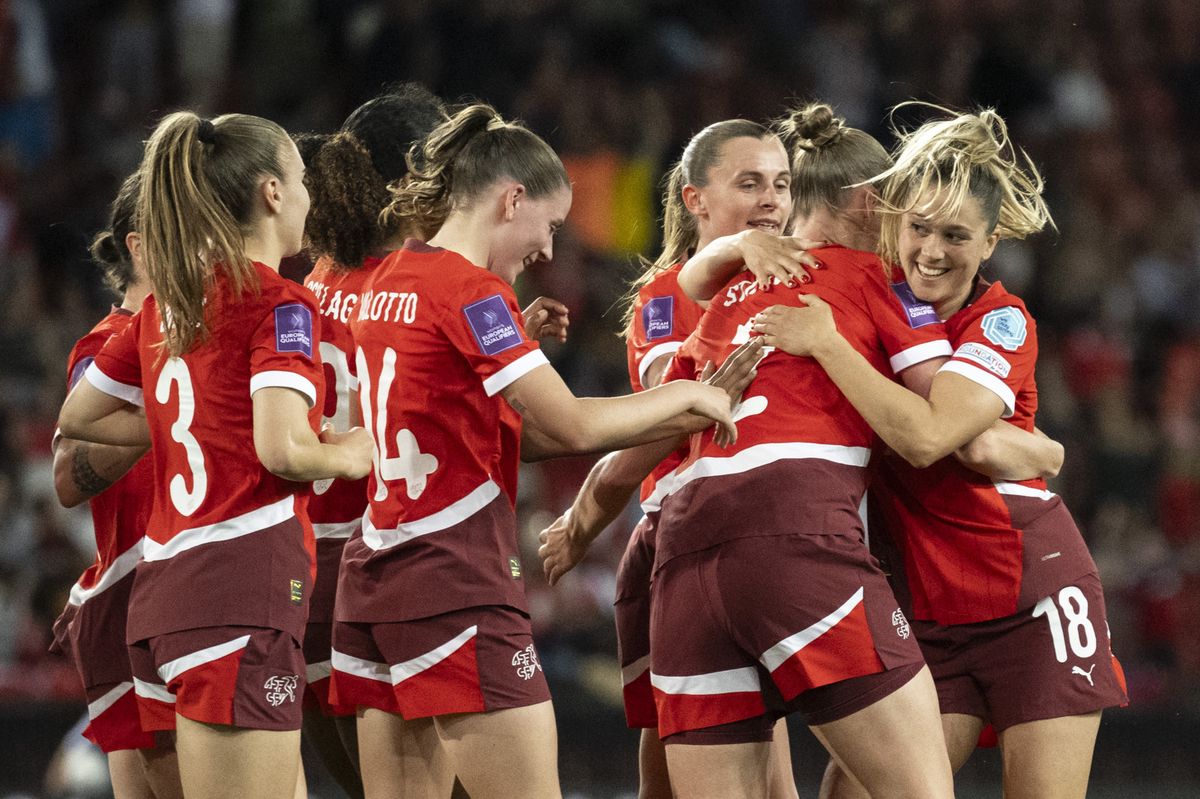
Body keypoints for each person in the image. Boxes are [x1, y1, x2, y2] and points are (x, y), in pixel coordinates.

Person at [327, 103, 738, 799]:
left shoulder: (385, 279)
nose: (548, 250)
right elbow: (570, 426)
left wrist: (514, 337)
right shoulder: (472, 294)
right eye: (548, 225)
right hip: (454, 582)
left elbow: (467, 415)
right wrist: (692, 396)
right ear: (511, 197)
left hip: (371, 586)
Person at [753, 104, 1128, 799]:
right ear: (892, 219)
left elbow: (927, 437)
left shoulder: (1002, 319)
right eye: (919, 226)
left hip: (1031, 598)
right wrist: (743, 247)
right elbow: (970, 441)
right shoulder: (873, 293)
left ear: (989, 242)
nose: (931, 249)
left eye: (956, 234)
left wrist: (830, 344)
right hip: (926, 608)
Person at [58, 111, 375, 799]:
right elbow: (284, 447)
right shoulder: (280, 304)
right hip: (239, 589)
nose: (310, 197)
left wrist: (187, 422)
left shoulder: (163, 307)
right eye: (300, 180)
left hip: (162, 602)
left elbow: (78, 414)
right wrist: (354, 452)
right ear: (271, 193)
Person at [543, 117, 814, 799]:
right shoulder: (663, 299)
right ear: (695, 199)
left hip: (770, 541)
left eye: (781, 185)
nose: (772, 202)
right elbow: (675, 411)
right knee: (687, 767)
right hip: (688, 546)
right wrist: (584, 516)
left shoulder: (799, 284)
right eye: (749, 183)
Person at [296, 82, 446, 799]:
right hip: (384, 567)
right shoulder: (419, 284)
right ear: (416, 175)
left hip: (303, 575)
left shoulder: (317, 278)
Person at [50, 172, 183, 799]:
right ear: (139, 247)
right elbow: (66, 477)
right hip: (136, 603)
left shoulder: (197, 345)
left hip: (195, 596)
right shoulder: (107, 348)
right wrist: (166, 418)